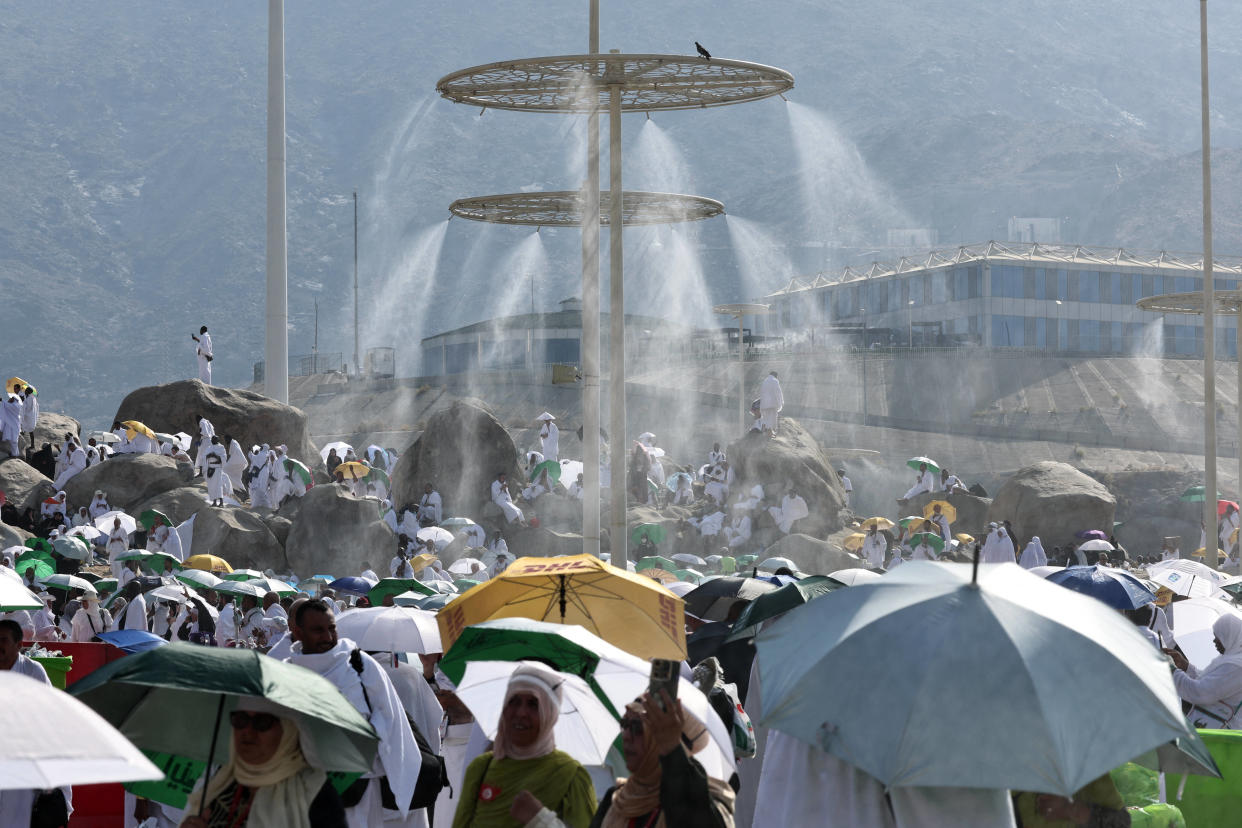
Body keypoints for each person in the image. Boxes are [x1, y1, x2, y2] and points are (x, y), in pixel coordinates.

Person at [286, 599, 422, 828]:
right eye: (318, 630)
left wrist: (360, 735)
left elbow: (392, 720)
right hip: (306, 788)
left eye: (332, 629)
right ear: (298, 632)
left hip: (359, 788)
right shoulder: (286, 671)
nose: (328, 638)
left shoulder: (360, 665)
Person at [452, 662, 596, 828]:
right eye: (514, 701)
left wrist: (541, 820)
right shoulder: (480, 768)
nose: (521, 712)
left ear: (550, 713)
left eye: (533, 704)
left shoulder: (571, 775)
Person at [180, 699, 346, 828]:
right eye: (240, 720)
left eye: (262, 722)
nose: (248, 731)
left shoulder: (313, 793)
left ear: (288, 730)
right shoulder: (221, 783)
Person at [589, 690, 734, 828]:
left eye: (637, 727)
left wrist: (672, 751)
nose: (626, 736)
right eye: (624, 724)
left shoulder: (708, 802)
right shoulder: (615, 800)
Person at [1168, 614, 1242, 729]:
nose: (1214, 641)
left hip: (1219, 735)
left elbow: (1201, 693)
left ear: (1229, 637)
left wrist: (1172, 670)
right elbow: (1210, 682)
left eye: (1218, 636)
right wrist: (1186, 666)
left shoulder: (1236, 666)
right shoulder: (1231, 659)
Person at [203, 435, 229, 507]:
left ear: (217, 440)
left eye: (214, 439)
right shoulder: (209, 448)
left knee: (218, 486)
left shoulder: (221, 447)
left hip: (217, 468)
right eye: (212, 439)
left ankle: (221, 502)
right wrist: (209, 455)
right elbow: (204, 456)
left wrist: (215, 456)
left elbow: (224, 458)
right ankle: (214, 502)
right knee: (212, 486)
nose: (212, 440)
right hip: (210, 468)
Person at [758, 371, 783, 436]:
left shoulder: (764, 381)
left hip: (764, 404)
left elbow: (761, 393)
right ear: (776, 376)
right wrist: (780, 403)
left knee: (765, 418)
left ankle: (764, 430)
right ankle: (769, 432)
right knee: (772, 418)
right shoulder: (775, 381)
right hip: (772, 404)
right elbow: (778, 393)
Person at [0, 392, 21, 456]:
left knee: (14, 441)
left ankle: (15, 454)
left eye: (12, 398)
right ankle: (16, 453)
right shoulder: (15, 404)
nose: (10, 399)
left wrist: (2, 400)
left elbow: (7, 405)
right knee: (13, 441)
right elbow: (7, 406)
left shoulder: (16, 405)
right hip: (13, 424)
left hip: (14, 425)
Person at [19, 385, 38, 453]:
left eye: (27, 390)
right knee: (22, 427)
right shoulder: (25, 395)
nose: (25, 391)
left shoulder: (31, 398)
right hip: (25, 415)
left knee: (30, 430)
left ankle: (32, 445)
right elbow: (21, 396)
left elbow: (30, 408)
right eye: (26, 390)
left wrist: (23, 402)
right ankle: (21, 441)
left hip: (29, 416)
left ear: (29, 392)